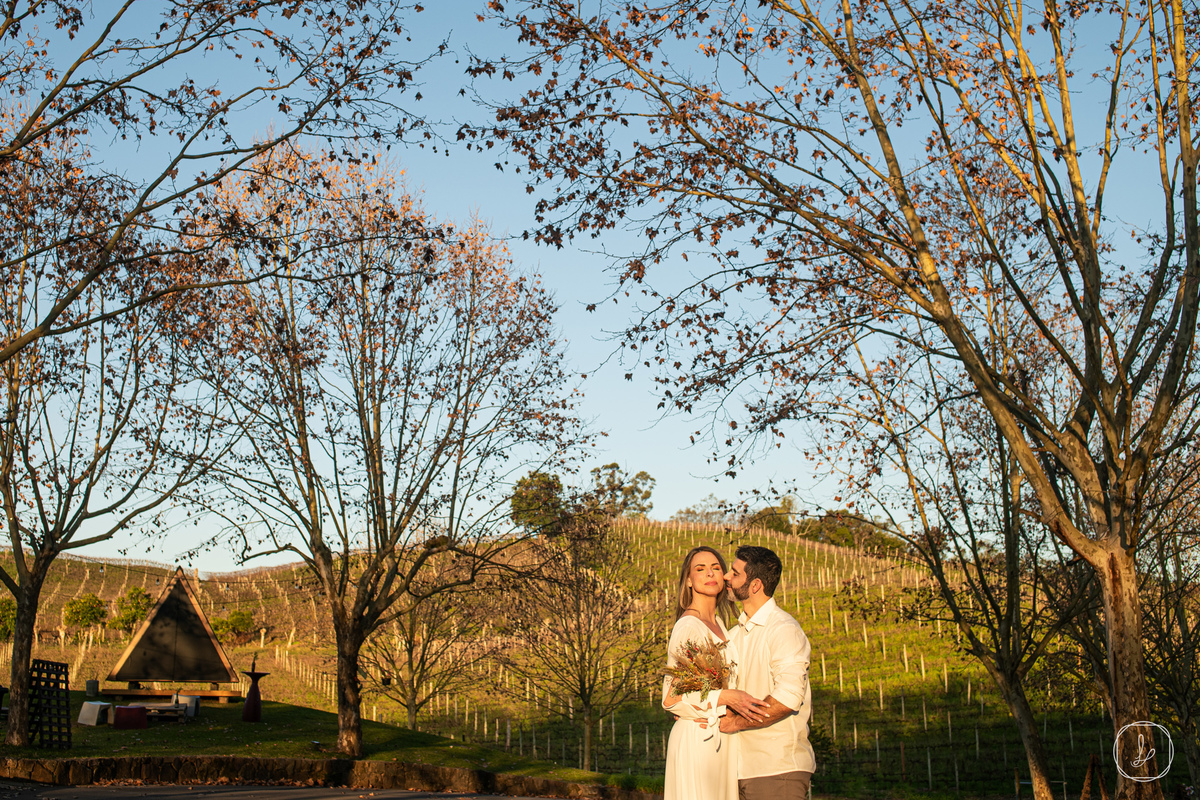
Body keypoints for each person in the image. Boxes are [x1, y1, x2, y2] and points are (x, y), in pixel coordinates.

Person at [662, 546, 769, 800]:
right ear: (688, 580)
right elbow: (670, 698)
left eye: (716, 568)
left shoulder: (719, 624)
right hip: (698, 741)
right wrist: (726, 698)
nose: (709, 573)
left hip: (720, 740)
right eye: (700, 569)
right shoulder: (688, 626)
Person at [720, 545, 815, 800]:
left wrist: (735, 723)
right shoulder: (733, 635)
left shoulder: (783, 629)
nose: (726, 577)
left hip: (776, 769)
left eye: (735, 572)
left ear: (755, 585)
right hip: (737, 768)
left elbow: (787, 698)